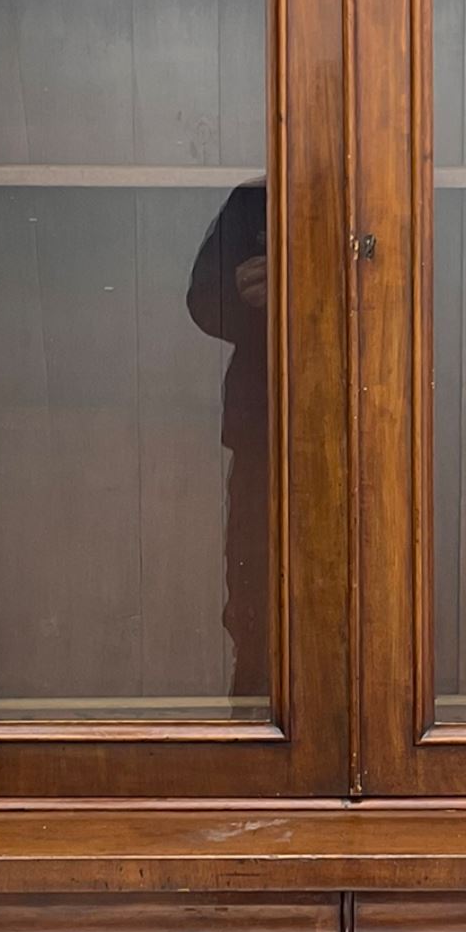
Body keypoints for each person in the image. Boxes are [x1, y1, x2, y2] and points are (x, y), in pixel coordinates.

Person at [186, 180, 270, 703]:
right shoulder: (252, 201)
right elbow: (203, 302)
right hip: (263, 423)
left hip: (381, 419)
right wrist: (241, 294)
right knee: (253, 587)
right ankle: (255, 713)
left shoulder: (387, 189)